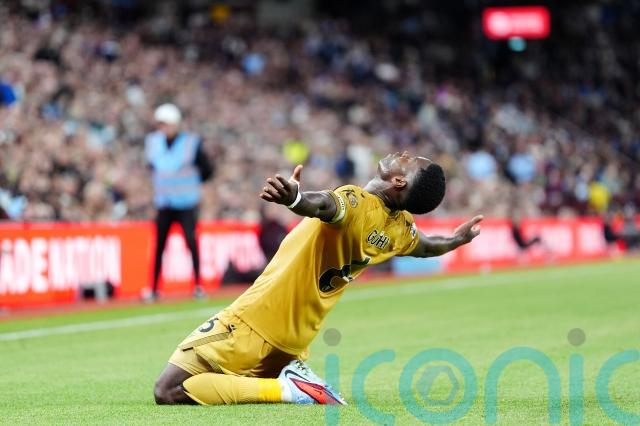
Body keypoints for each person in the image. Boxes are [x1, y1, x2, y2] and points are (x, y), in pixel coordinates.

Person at [153, 151, 482, 406]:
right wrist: (456, 240)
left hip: (255, 320)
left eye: (409, 161)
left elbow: (324, 206)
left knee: (168, 390)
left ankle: (289, 389)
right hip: (296, 338)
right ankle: (291, 381)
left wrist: (295, 200)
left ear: (398, 182)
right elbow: (427, 247)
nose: (403, 154)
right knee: (226, 379)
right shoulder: (399, 227)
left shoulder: (357, 202)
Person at [145, 104, 213, 301]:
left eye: (166, 124)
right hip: (164, 203)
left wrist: (192, 184)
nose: (163, 128)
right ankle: (154, 289)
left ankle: (198, 286)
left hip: (186, 204)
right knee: (159, 245)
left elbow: (208, 169)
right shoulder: (153, 142)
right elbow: (153, 167)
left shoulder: (191, 143)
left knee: (191, 243)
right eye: (160, 124)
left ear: (175, 124)